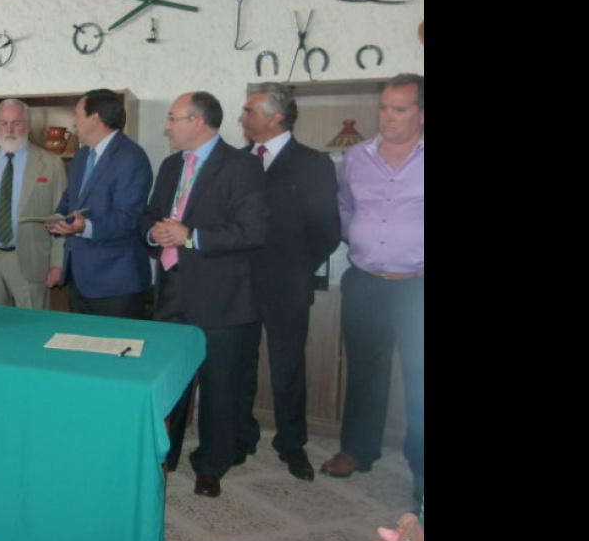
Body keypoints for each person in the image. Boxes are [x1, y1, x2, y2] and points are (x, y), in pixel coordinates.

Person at [141, 91, 268, 498]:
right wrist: (154, 232)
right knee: (168, 379)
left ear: (198, 121)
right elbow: (150, 214)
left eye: (173, 118)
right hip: (172, 288)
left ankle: (213, 463)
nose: (166, 126)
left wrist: (190, 236)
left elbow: (253, 231)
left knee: (220, 385)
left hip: (222, 297)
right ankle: (165, 453)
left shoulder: (242, 166)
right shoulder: (170, 165)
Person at [321, 73, 424, 502]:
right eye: (384, 107)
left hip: (417, 288)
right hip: (365, 281)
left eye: (399, 109)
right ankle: (358, 450)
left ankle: (420, 470)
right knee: (364, 370)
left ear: (421, 113)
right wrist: (360, 239)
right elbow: (345, 206)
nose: (387, 116)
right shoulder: (357, 158)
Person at [237, 83, 342, 481]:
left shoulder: (313, 163)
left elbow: (328, 231)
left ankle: (291, 444)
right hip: (239, 283)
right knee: (239, 364)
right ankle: (241, 436)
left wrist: (297, 268)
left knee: (288, 367)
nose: (242, 118)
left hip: (287, 284)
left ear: (275, 117)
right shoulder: (237, 161)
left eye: (249, 111)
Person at [46, 89, 151, 319]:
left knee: (114, 351)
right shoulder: (83, 155)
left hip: (116, 283)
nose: (74, 123)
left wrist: (85, 227)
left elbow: (129, 218)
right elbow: (70, 198)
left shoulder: (131, 157)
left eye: (78, 115)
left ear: (95, 119)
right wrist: (58, 217)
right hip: (80, 278)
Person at [0, 98, 67, 308]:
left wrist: (58, 264)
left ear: (28, 125)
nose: (9, 129)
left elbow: (62, 217)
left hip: (31, 260)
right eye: (4, 123)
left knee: (32, 330)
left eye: (16, 123)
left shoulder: (50, 164)